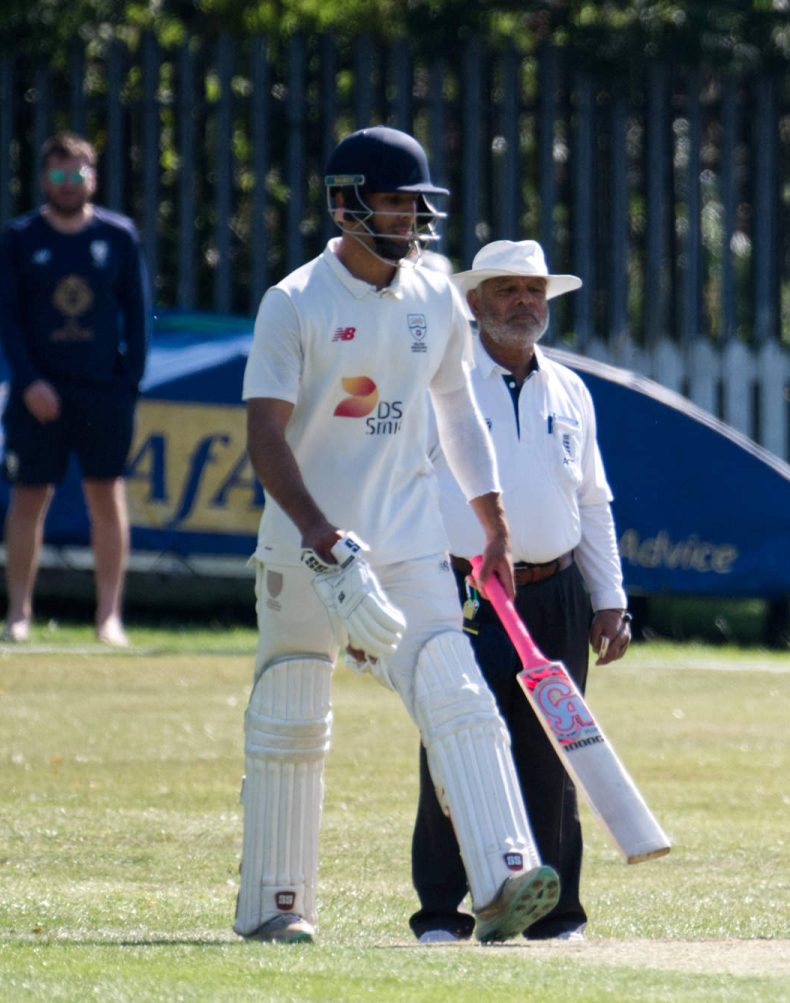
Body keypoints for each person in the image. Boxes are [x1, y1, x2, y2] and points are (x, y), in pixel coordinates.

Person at [235, 126, 560, 944]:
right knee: (292, 711)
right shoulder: (294, 301)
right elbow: (265, 434)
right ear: (346, 205)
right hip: (305, 551)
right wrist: (318, 532)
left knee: (456, 688)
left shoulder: (434, 294)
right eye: (394, 201)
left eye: (417, 203)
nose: (411, 218)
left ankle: (503, 878)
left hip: (410, 541)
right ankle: (277, 905)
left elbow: (457, 411)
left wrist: (492, 523)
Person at [409, 239, 633, 944]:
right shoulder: (443, 383)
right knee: (455, 742)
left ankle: (557, 914)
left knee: (555, 751)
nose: (524, 303)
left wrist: (610, 598)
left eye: (534, 290)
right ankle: (441, 912)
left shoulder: (569, 388)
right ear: (474, 302)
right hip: (465, 589)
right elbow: (406, 488)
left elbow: (592, 500)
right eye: (507, 290)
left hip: (554, 589)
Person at [0, 131, 150, 647]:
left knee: (106, 494)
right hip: (39, 394)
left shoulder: (118, 235)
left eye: (77, 173)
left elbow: (138, 315)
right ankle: (18, 614)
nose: (68, 183)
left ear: (93, 178)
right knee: (28, 496)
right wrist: (29, 382)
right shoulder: (21, 238)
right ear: (45, 180)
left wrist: (128, 384)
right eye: (58, 174)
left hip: (103, 392)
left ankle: (109, 618)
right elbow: (9, 320)